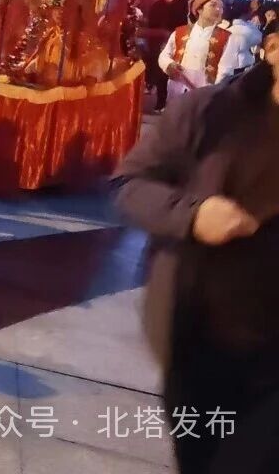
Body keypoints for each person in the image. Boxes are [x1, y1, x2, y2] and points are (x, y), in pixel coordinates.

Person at [114, 32, 279, 474]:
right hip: (200, 338)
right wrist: (193, 214)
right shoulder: (209, 113)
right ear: (274, 49)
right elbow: (131, 185)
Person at [157, 0, 242, 103]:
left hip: (205, 95)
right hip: (177, 90)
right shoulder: (179, 32)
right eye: (213, 5)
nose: (218, 10)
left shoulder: (228, 37)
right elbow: (164, 55)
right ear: (199, 10)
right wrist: (169, 65)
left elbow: (226, 70)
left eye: (221, 7)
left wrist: (213, 93)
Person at [145, 0, 192, 112]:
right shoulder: (156, 6)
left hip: (174, 44)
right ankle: (160, 102)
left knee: (170, 74)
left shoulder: (182, 7)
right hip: (157, 43)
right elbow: (150, 25)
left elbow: (183, 27)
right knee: (159, 73)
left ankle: (171, 104)